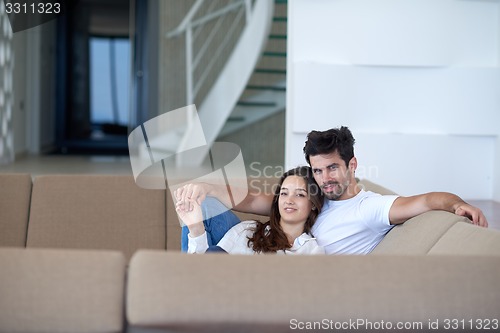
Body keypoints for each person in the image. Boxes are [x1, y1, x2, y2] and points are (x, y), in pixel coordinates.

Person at [175, 126, 488, 255]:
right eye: (318, 170)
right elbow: (253, 199)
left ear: (352, 165)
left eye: (333, 168)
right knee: (200, 203)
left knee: (207, 250)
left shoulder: (370, 208)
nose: (325, 178)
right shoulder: (312, 195)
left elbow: (425, 200)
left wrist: (456, 204)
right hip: (259, 244)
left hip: (281, 265)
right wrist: (206, 186)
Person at [177, 166, 325, 255]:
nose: (289, 200)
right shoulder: (247, 230)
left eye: (299, 194)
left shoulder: (313, 250)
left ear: (313, 203)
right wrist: (196, 229)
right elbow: (202, 272)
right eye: (284, 193)